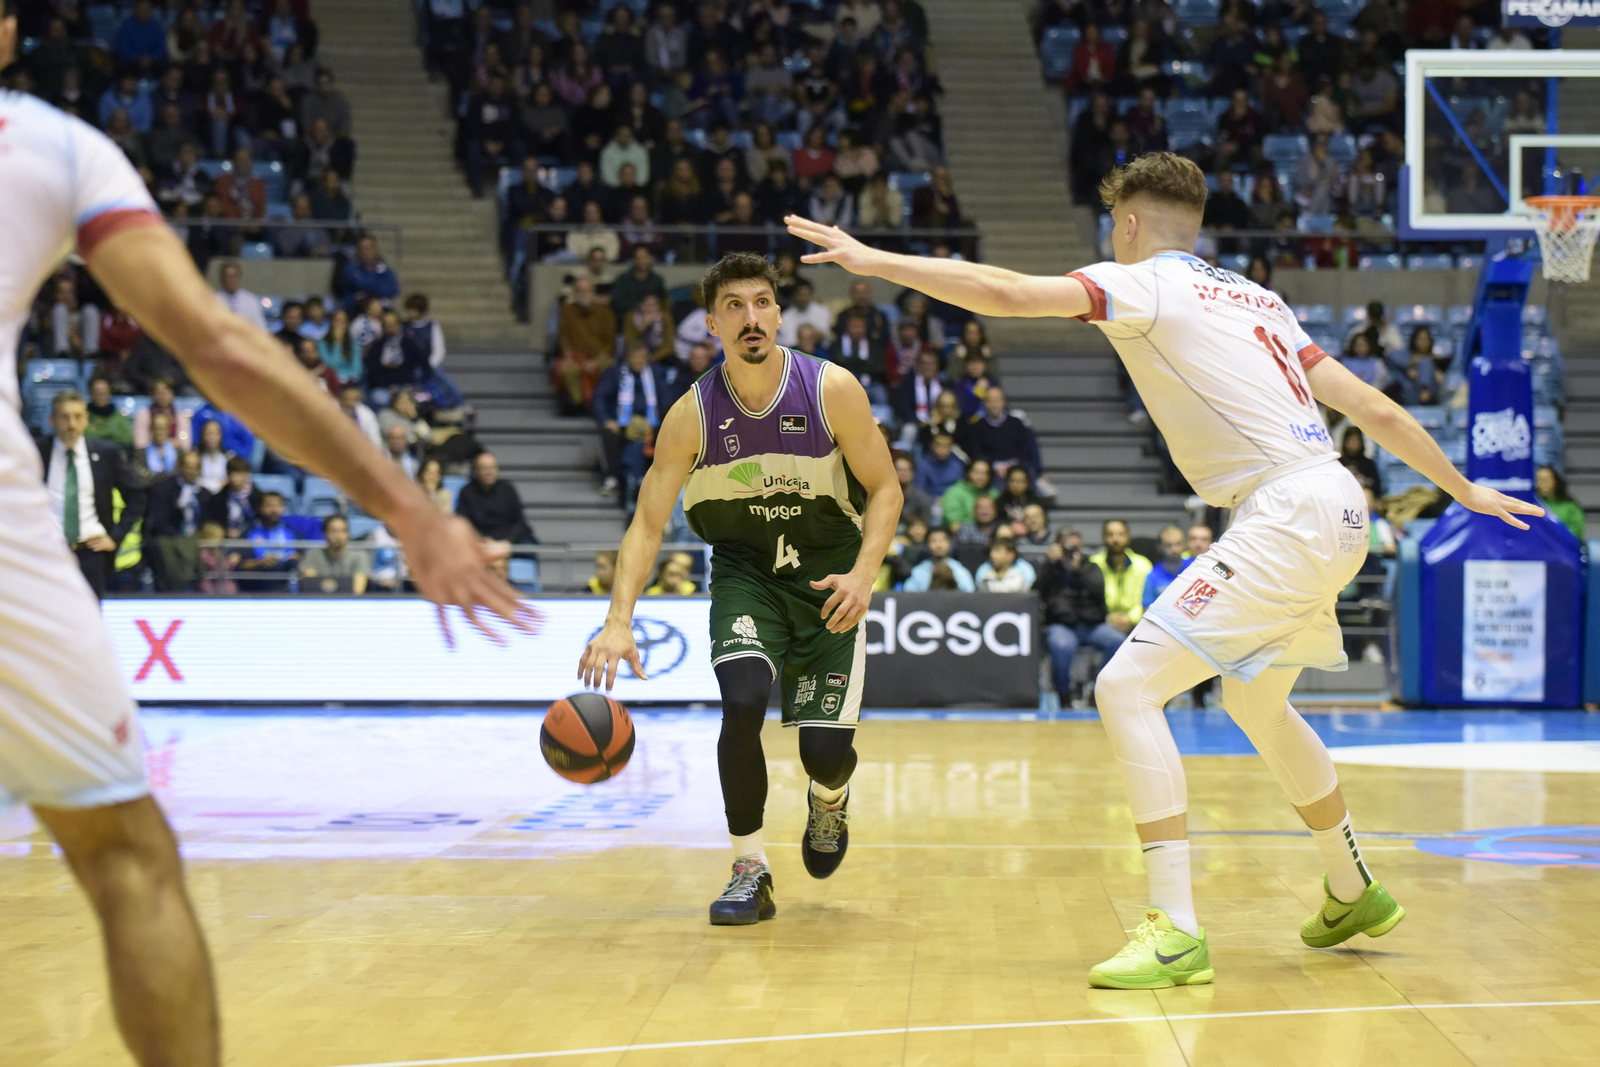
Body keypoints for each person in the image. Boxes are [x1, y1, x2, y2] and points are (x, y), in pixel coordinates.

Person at [786, 154, 1539, 989]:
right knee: (1257, 700)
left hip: (1284, 511)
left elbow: (1003, 294)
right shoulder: (1261, 298)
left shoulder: (1142, 283)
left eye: (1115, 226)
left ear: (1130, 225)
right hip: (1342, 503)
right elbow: (1375, 408)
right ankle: (1353, 885)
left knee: (1124, 687)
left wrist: (875, 259)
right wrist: (1461, 487)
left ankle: (1177, 929)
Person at [579, 253, 901, 926]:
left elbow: (886, 487)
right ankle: (749, 866)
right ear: (712, 321)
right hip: (746, 574)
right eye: (734, 305)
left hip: (828, 580)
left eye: (762, 302)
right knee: (743, 700)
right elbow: (646, 522)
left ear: (780, 314)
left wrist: (866, 572)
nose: (750, 317)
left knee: (825, 753)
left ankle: (830, 798)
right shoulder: (691, 415)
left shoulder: (831, 389)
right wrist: (618, 620)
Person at [37, 389, 146, 599]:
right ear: (52, 420)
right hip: (48, 552)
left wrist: (115, 537)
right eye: (65, 417)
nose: (72, 424)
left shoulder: (106, 453)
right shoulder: (37, 452)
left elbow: (137, 496)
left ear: (86, 419)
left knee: (90, 623)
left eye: (78, 416)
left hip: (90, 554)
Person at [593, 344, 669, 503]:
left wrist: (660, 423)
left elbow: (667, 400)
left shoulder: (656, 373)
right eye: (635, 357)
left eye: (642, 357)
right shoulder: (614, 373)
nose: (638, 361)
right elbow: (599, 397)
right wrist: (607, 419)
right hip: (621, 422)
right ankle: (612, 478)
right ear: (627, 358)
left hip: (651, 423)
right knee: (609, 433)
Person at [143, 448, 211, 591]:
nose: (191, 471)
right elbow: (159, 521)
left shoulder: (205, 494)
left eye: (195, 467)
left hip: (196, 540)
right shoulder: (163, 488)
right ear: (180, 467)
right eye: (187, 466)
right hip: (170, 539)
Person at [456, 450, 536, 546]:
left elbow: (519, 521)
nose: (489, 472)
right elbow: (463, 523)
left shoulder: (508, 489)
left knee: (528, 544)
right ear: (476, 471)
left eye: (492, 468)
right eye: (485, 468)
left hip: (508, 541)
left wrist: (507, 541)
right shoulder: (466, 492)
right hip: (478, 543)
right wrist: (482, 540)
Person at [1090, 519, 1151, 641]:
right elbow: (1090, 601)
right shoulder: (1093, 564)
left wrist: (1130, 618)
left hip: (1138, 624)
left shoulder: (1143, 565)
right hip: (1102, 623)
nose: (1115, 540)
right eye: (1110, 535)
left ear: (1128, 537)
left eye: (1120, 534)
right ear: (1103, 538)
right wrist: (1106, 617)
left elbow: (1146, 599)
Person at [298, 514, 371, 594]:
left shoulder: (359, 556)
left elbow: (358, 591)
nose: (338, 536)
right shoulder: (313, 555)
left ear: (348, 534)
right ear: (325, 534)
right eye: (333, 531)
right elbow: (311, 587)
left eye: (342, 531)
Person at [902, 525, 974, 591]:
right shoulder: (918, 571)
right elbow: (908, 594)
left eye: (943, 540)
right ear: (926, 545)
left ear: (950, 544)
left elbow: (969, 593)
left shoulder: (959, 570)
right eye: (933, 541)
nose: (938, 545)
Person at [939, 456, 997, 532]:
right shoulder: (954, 493)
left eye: (985, 473)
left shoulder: (993, 493)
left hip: (990, 533)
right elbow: (954, 525)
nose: (981, 477)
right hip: (961, 536)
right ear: (969, 473)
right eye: (977, 473)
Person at [1142, 524, 1188, 609]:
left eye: (1178, 544)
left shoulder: (1194, 567)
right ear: (1160, 547)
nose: (1174, 549)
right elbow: (1147, 612)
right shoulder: (1152, 578)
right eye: (1168, 545)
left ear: (1185, 544)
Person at [914, 430, 965, 500]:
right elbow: (918, 491)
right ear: (931, 446)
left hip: (951, 502)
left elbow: (960, 491)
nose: (942, 450)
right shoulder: (922, 465)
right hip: (928, 504)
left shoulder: (958, 466)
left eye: (946, 446)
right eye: (938, 446)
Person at [1536, 465, 1583, 541]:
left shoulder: (1569, 506)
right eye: (1538, 480)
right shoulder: (1532, 504)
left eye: (1544, 480)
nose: (1540, 485)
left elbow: (1577, 529)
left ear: (1555, 481)